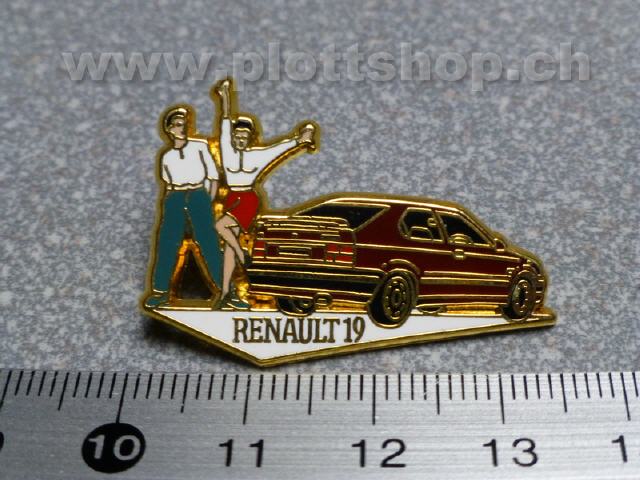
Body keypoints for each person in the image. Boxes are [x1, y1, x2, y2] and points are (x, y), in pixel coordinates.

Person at [212, 78, 317, 309]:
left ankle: (243, 255)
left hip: (248, 200)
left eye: (244, 137)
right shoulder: (227, 151)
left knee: (220, 226)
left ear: (250, 139)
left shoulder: (256, 157)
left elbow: (278, 150)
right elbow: (224, 123)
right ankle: (227, 292)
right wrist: (225, 97)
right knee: (228, 248)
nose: (240, 140)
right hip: (232, 199)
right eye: (237, 137)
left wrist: (300, 140)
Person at [144, 106, 223, 308]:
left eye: (184, 124)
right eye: (178, 125)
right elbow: (167, 185)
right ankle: (161, 292)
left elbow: (213, 176)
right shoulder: (167, 156)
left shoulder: (199, 147)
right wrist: (170, 204)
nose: (183, 128)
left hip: (198, 195)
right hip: (175, 198)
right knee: (167, 244)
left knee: (209, 243)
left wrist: (207, 200)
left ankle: (227, 291)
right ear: (170, 130)